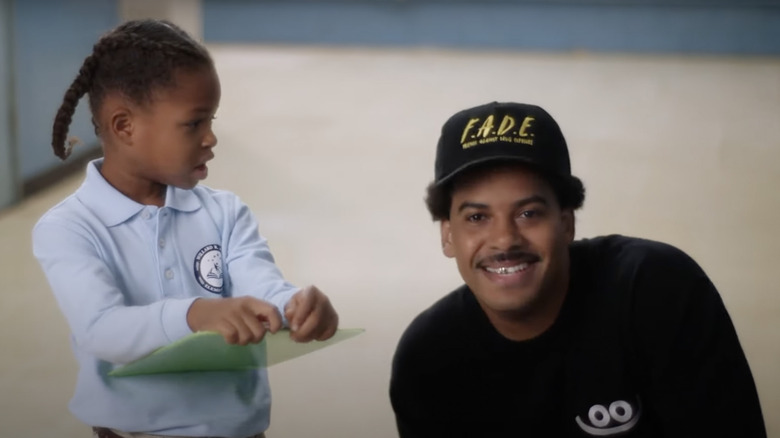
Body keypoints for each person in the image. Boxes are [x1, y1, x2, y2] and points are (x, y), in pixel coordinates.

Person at [32, 20, 338, 438]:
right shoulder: (69, 229)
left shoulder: (226, 212)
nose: (211, 138)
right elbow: (101, 329)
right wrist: (196, 313)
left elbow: (261, 285)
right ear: (125, 127)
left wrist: (292, 306)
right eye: (194, 123)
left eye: (211, 120)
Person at [389, 101, 766, 437]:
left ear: (566, 223)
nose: (504, 240)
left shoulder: (656, 291)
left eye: (528, 213)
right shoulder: (428, 359)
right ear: (448, 236)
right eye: (477, 217)